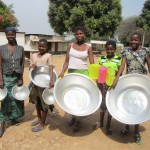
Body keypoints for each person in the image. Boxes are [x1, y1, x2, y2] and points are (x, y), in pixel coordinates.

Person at [112, 32, 150, 144]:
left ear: (139, 41)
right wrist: (117, 78)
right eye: (132, 40)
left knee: (138, 106)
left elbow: (149, 64)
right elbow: (122, 66)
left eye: (136, 40)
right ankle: (126, 127)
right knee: (127, 104)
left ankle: (136, 132)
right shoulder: (125, 51)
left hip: (141, 83)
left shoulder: (145, 51)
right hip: (128, 82)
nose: (133, 42)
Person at [59, 26, 94, 132]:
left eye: (81, 33)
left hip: (83, 74)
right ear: (75, 35)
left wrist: (93, 79)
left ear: (84, 34)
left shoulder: (89, 47)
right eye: (77, 34)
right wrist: (62, 72)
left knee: (80, 98)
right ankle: (73, 118)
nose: (79, 35)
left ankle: (78, 121)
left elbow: (92, 64)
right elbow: (66, 61)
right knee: (72, 96)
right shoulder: (70, 45)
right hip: (71, 74)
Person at [93, 40, 122, 135]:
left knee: (110, 105)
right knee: (103, 104)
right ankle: (101, 123)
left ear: (115, 49)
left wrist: (115, 82)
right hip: (103, 85)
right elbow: (99, 72)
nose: (109, 51)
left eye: (112, 49)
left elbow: (119, 73)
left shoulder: (118, 59)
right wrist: (99, 84)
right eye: (108, 49)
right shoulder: (102, 59)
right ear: (105, 49)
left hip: (113, 86)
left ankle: (108, 125)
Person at [0, 27, 25, 137]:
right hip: (6, 77)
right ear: (6, 35)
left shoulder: (21, 48)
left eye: (12, 34)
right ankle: (2, 124)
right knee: (5, 100)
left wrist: (21, 77)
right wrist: (0, 79)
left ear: (15, 35)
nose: (10, 36)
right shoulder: (1, 48)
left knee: (17, 99)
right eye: (8, 35)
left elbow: (22, 64)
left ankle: (13, 118)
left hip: (17, 78)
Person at [29, 39, 54, 132]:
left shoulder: (48, 55)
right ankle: (39, 118)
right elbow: (31, 68)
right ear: (37, 46)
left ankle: (42, 124)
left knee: (44, 103)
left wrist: (51, 80)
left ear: (47, 47)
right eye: (40, 46)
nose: (41, 48)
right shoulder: (34, 55)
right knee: (36, 100)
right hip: (34, 80)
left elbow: (51, 67)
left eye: (43, 46)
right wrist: (32, 66)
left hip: (44, 82)